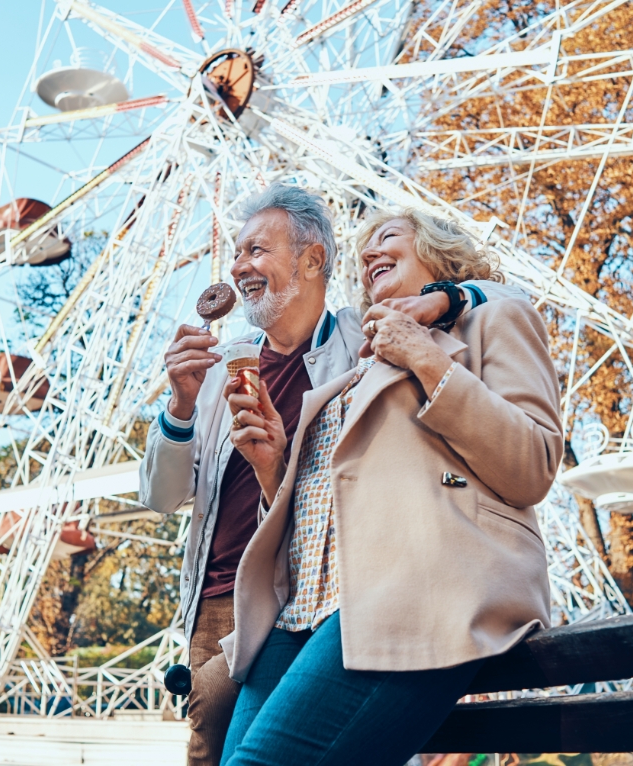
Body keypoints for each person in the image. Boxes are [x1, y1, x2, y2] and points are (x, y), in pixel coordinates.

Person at [139, 186, 515, 766]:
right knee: (217, 734)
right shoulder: (218, 368)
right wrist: (181, 405)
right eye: (237, 254)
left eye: (257, 250)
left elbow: (475, 297)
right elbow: (161, 497)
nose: (238, 266)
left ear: (312, 260)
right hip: (228, 592)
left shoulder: (361, 344)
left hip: (325, 586)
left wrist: (453, 294)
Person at [218, 208, 563, 766]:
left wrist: (427, 356)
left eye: (388, 237)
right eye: (361, 253)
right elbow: (327, 514)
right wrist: (272, 466)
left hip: (407, 595)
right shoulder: (352, 373)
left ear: (439, 254)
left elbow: (534, 464)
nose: (369, 251)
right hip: (298, 614)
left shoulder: (493, 318)